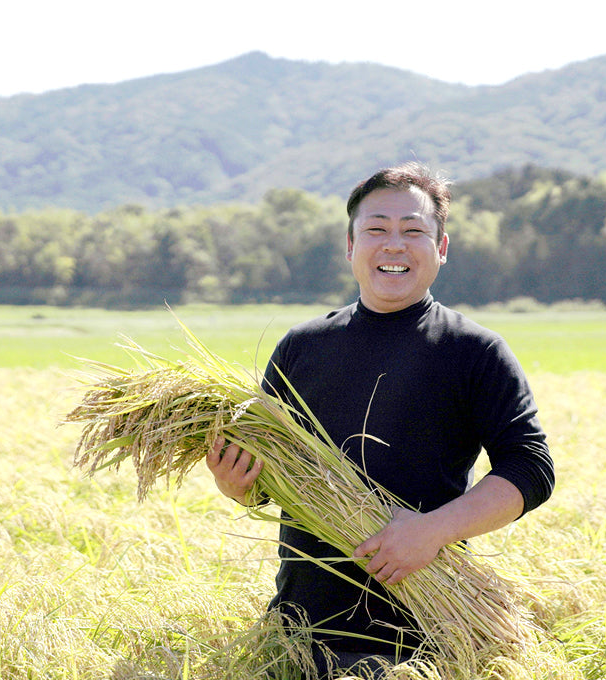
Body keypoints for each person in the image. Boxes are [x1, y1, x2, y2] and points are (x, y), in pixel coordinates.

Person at [206, 162, 554, 677]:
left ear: (441, 248)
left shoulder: (473, 351)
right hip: (299, 637)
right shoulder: (303, 347)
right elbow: (266, 482)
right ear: (350, 246)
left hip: (422, 640)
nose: (394, 245)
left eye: (413, 231)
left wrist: (432, 530)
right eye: (376, 230)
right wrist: (234, 482)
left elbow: (531, 469)